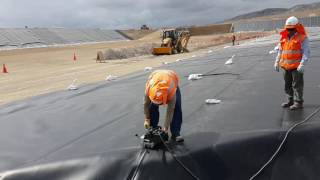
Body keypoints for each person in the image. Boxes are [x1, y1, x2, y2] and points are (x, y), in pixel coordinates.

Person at [274, 16, 310, 110]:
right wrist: (276, 61)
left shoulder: (302, 38)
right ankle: (290, 100)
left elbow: (306, 52)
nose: (289, 31)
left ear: (297, 27)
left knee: (297, 85)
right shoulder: (284, 37)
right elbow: (280, 51)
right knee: (287, 84)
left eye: (292, 29)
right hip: (285, 66)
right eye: (288, 29)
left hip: (296, 67)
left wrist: (302, 64)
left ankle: (298, 102)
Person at [143, 69, 184, 142]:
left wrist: (165, 128)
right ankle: (153, 129)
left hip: (171, 78)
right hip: (156, 77)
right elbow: (146, 104)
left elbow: (170, 111)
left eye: (159, 103)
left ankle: (175, 133)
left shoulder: (171, 91)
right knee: (151, 107)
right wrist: (147, 119)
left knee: (176, 108)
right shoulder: (149, 90)